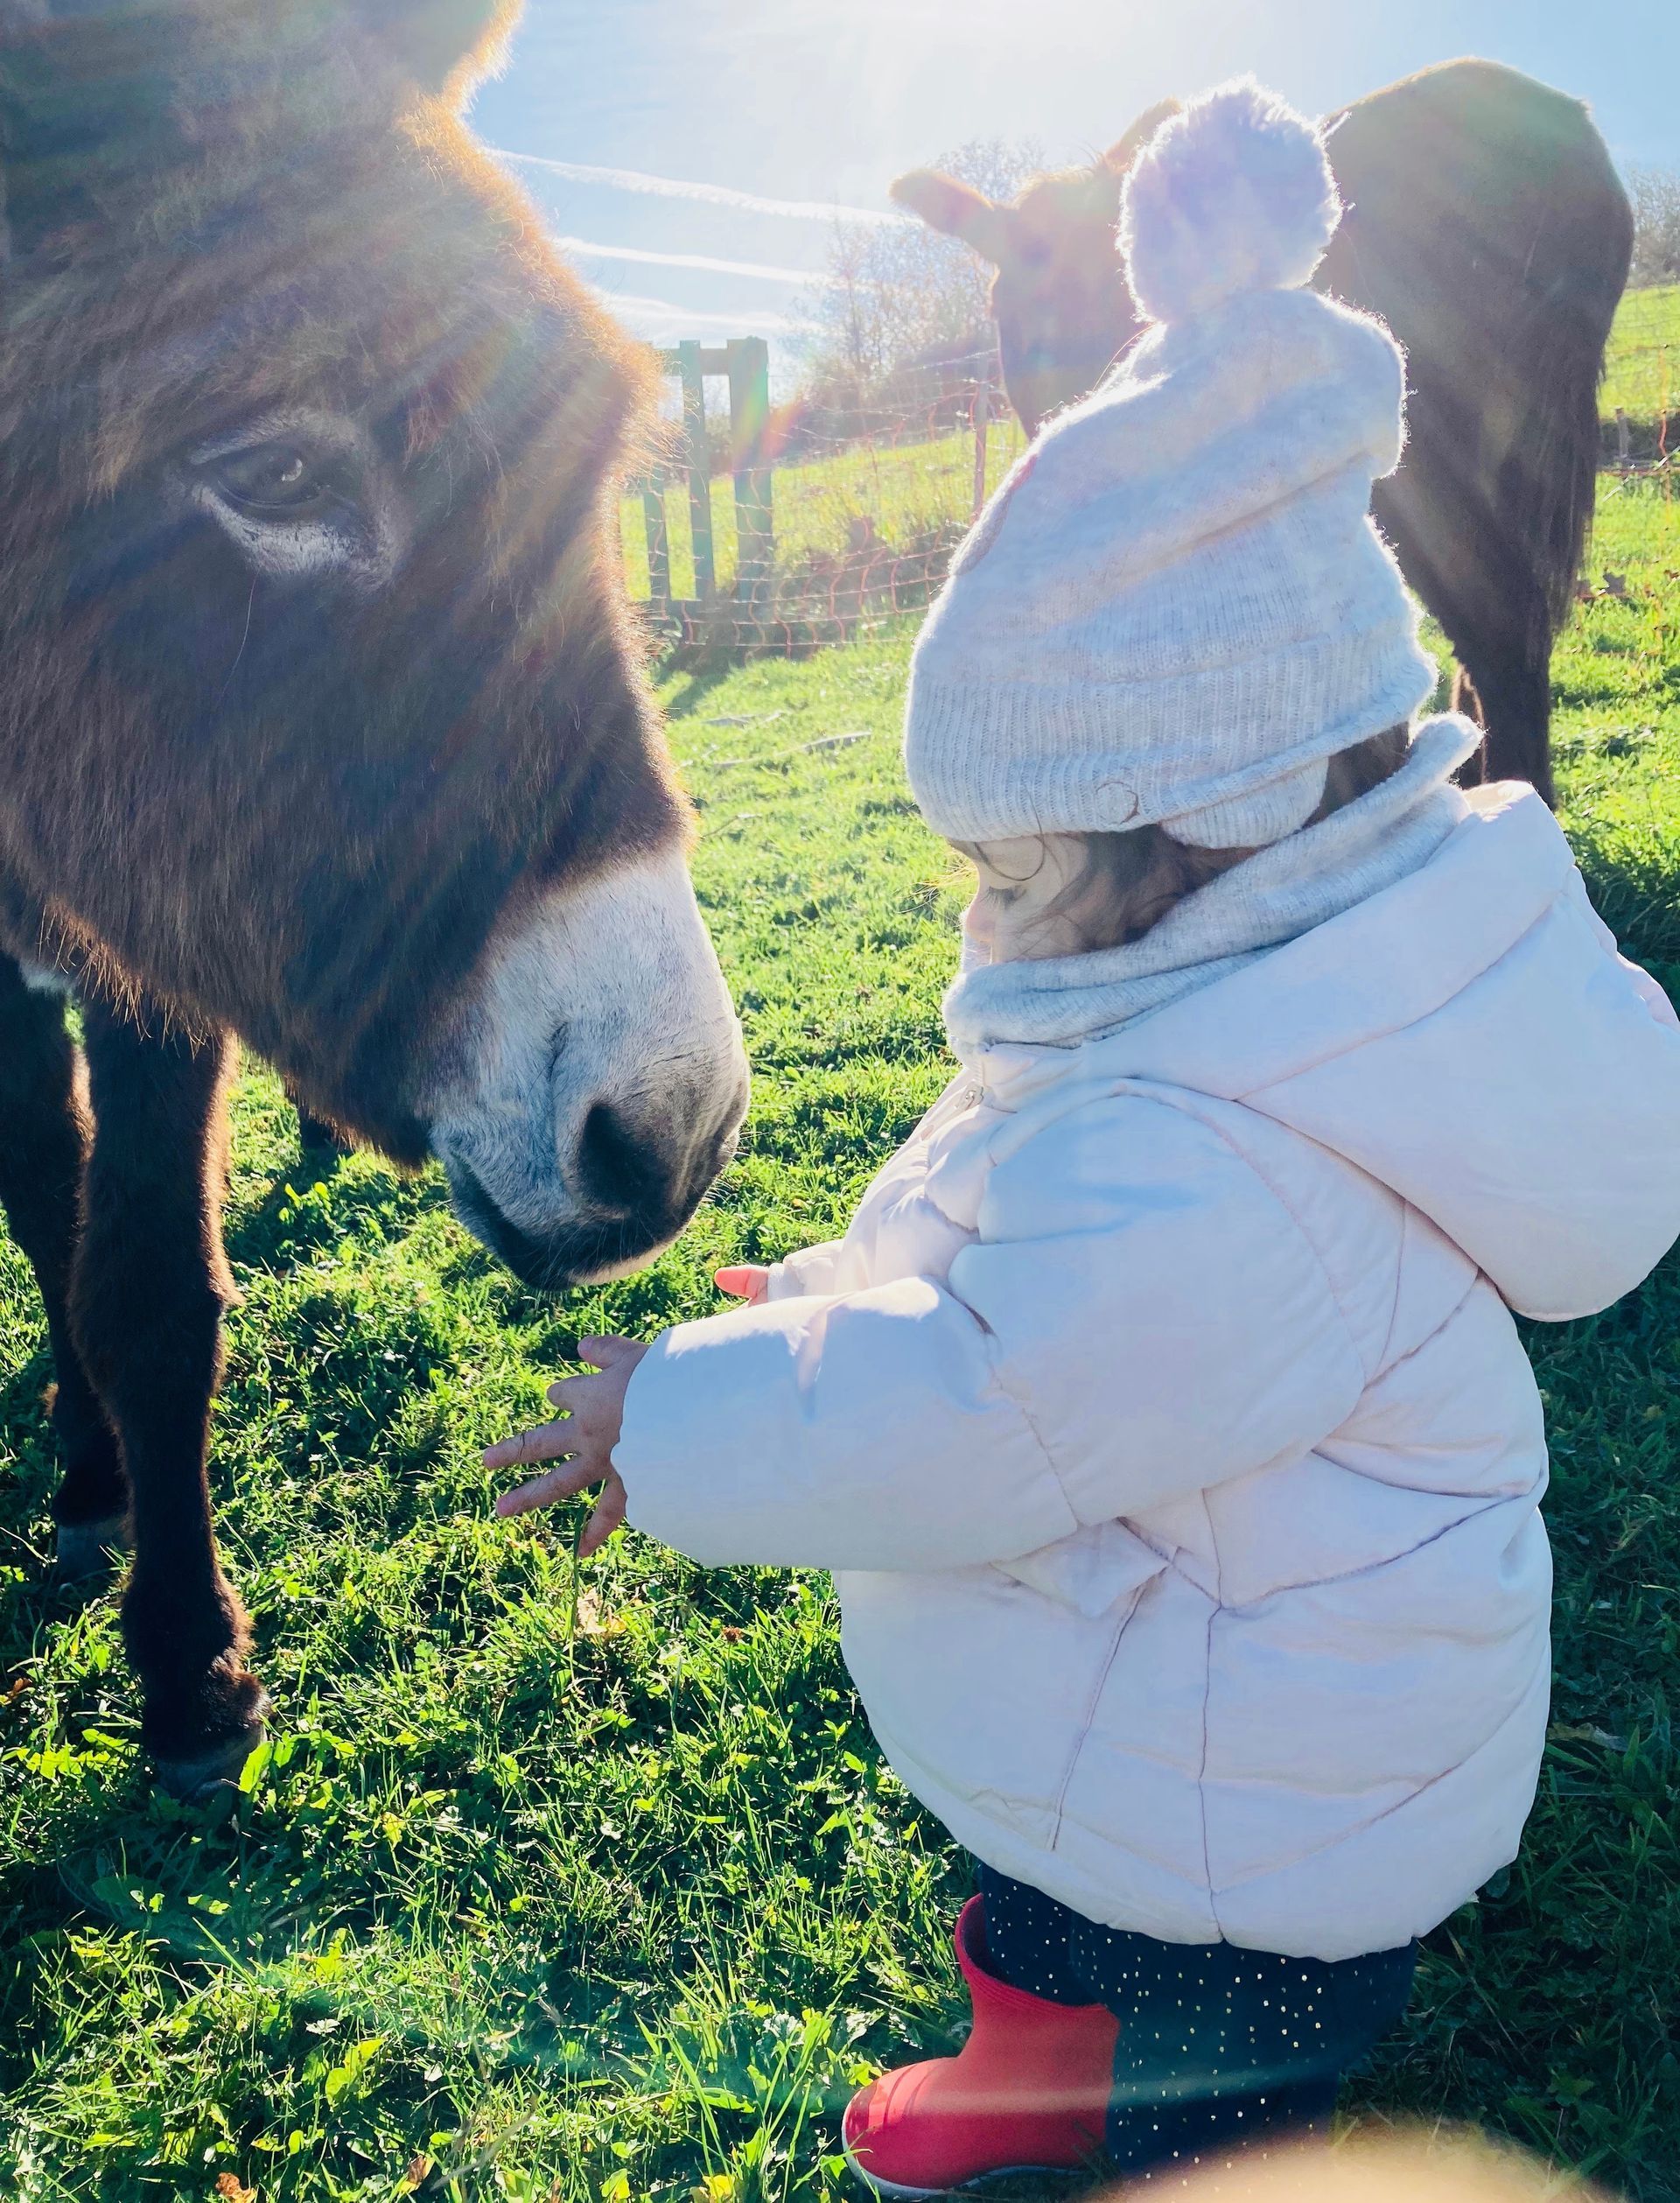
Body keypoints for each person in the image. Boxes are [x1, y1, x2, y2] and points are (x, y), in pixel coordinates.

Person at [485, 81, 1680, 2197]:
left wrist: (664, 1411)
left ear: (1190, 823)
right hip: (1307, 1754)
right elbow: (1041, 1291)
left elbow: (978, 1410)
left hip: (1247, 1860)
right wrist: (859, 1283)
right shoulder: (1295, 1008)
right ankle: (1074, 2048)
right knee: (1096, 1911)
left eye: (1016, 858)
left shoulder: (1227, 1163)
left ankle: (1096, 2109)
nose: (984, 907)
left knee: (1129, 2014)